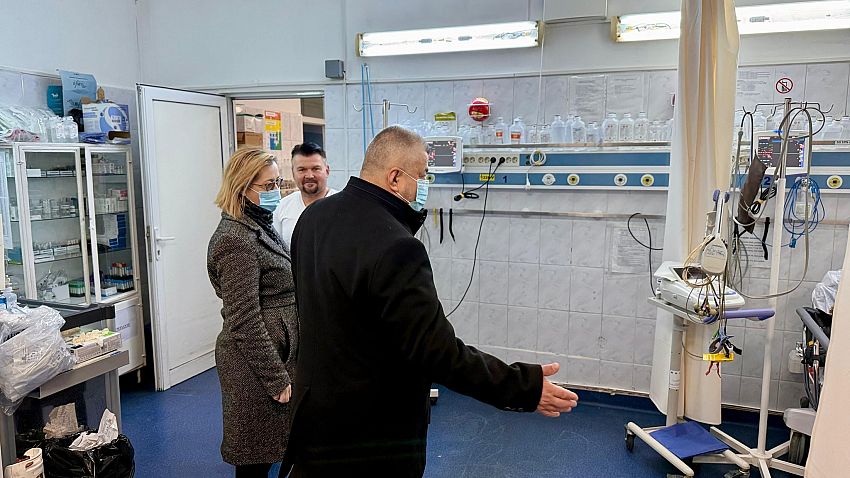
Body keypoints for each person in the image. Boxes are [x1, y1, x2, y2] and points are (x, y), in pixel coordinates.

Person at [288, 126, 579, 477]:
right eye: (423, 175)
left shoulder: (313, 218)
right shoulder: (396, 246)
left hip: (315, 418)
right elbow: (438, 352)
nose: (425, 185)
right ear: (395, 178)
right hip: (370, 434)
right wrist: (523, 387)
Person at [207, 148, 297, 478]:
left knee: (272, 447)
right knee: (255, 456)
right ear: (243, 187)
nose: (276, 191)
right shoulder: (235, 240)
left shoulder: (259, 225)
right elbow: (243, 318)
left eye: (278, 182)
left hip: (275, 352)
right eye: (269, 185)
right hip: (255, 364)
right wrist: (274, 378)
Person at [272, 142, 337, 245]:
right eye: (302, 170)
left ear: (327, 171)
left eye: (316, 169)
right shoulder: (282, 207)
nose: (309, 176)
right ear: (293, 173)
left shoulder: (342, 206)